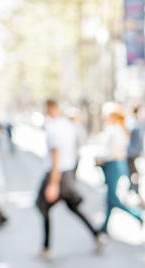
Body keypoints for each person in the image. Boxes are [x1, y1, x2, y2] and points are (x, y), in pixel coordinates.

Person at [36, 99, 102, 258]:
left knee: (42, 206)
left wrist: (53, 183)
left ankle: (46, 247)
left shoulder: (53, 128)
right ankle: (97, 234)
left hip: (56, 173)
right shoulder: (68, 125)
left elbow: (56, 154)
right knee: (73, 207)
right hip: (67, 172)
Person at [96, 105, 143, 233]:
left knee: (112, 198)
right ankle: (104, 227)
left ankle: (136, 214)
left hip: (113, 164)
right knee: (110, 198)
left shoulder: (115, 130)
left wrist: (101, 159)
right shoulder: (118, 130)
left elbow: (112, 151)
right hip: (114, 164)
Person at [126, 105, 145, 195]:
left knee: (132, 170)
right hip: (131, 151)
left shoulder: (135, 122)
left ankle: (133, 187)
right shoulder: (134, 122)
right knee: (132, 170)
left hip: (132, 151)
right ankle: (133, 187)